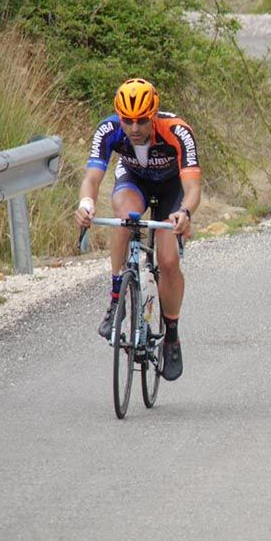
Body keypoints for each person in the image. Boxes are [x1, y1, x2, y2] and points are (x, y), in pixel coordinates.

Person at [74, 78, 201, 382]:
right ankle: (116, 298)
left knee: (168, 261)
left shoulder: (177, 131)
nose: (134, 128)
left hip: (172, 189)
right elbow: (92, 178)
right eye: (127, 120)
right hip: (134, 180)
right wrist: (86, 204)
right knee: (125, 216)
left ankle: (172, 336)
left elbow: (193, 188)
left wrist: (184, 213)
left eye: (142, 120)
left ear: (153, 114)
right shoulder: (108, 129)